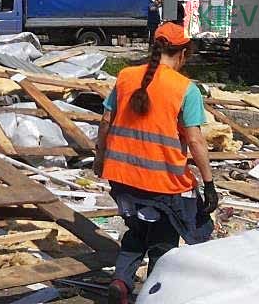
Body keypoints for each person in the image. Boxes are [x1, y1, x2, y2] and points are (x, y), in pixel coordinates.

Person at [93, 22, 218, 304]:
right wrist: (209, 183)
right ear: (183, 53)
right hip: (163, 183)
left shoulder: (125, 76)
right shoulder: (186, 89)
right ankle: (154, 295)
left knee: (136, 231)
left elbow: (105, 122)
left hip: (122, 177)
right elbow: (196, 141)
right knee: (163, 242)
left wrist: (100, 160)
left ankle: (121, 282)